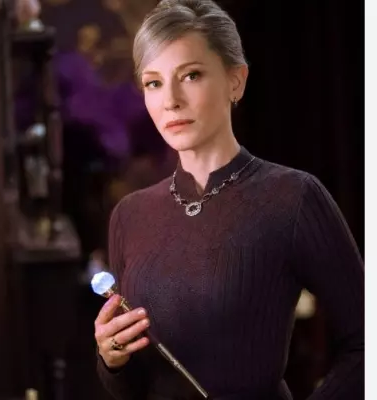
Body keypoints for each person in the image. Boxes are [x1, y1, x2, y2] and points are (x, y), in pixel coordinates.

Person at [93, 1, 364, 399]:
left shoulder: (293, 197)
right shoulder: (129, 215)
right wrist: (112, 359)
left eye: (191, 75)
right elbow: (135, 386)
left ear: (236, 81)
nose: (171, 100)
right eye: (153, 83)